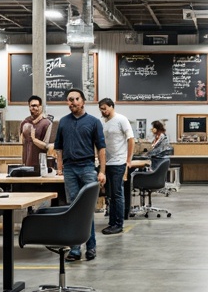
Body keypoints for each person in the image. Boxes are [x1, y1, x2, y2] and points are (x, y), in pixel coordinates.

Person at [52, 89, 106, 261]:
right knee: (73, 208)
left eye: (76, 99)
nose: (73, 102)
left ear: (83, 101)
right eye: (70, 99)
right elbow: (58, 147)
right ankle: (75, 249)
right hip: (69, 170)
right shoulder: (63, 122)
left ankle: (91, 246)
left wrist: (102, 171)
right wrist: (60, 167)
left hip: (87, 168)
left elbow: (102, 149)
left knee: (87, 208)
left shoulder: (94, 122)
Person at [97, 98, 135, 235]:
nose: (103, 111)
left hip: (119, 162)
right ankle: (112, 222)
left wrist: (128, 160)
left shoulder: (121, 119)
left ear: (112, 107)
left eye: (105, 108)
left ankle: (118, 224)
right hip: (106, 163)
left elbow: (131, 140)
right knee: (110, 195)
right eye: (101, 109)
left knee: (117, 194)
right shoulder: (102, 122)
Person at [20, 95, 55, 170]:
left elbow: (48, 146)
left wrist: (34, 140)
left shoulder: (47, 123)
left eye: (37, 106)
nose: (34, 108)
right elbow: (22, 143)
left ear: (41, 107)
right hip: (26, 164)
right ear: (29, 107)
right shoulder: (24, 122)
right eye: (32, 106)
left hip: (41, 164)